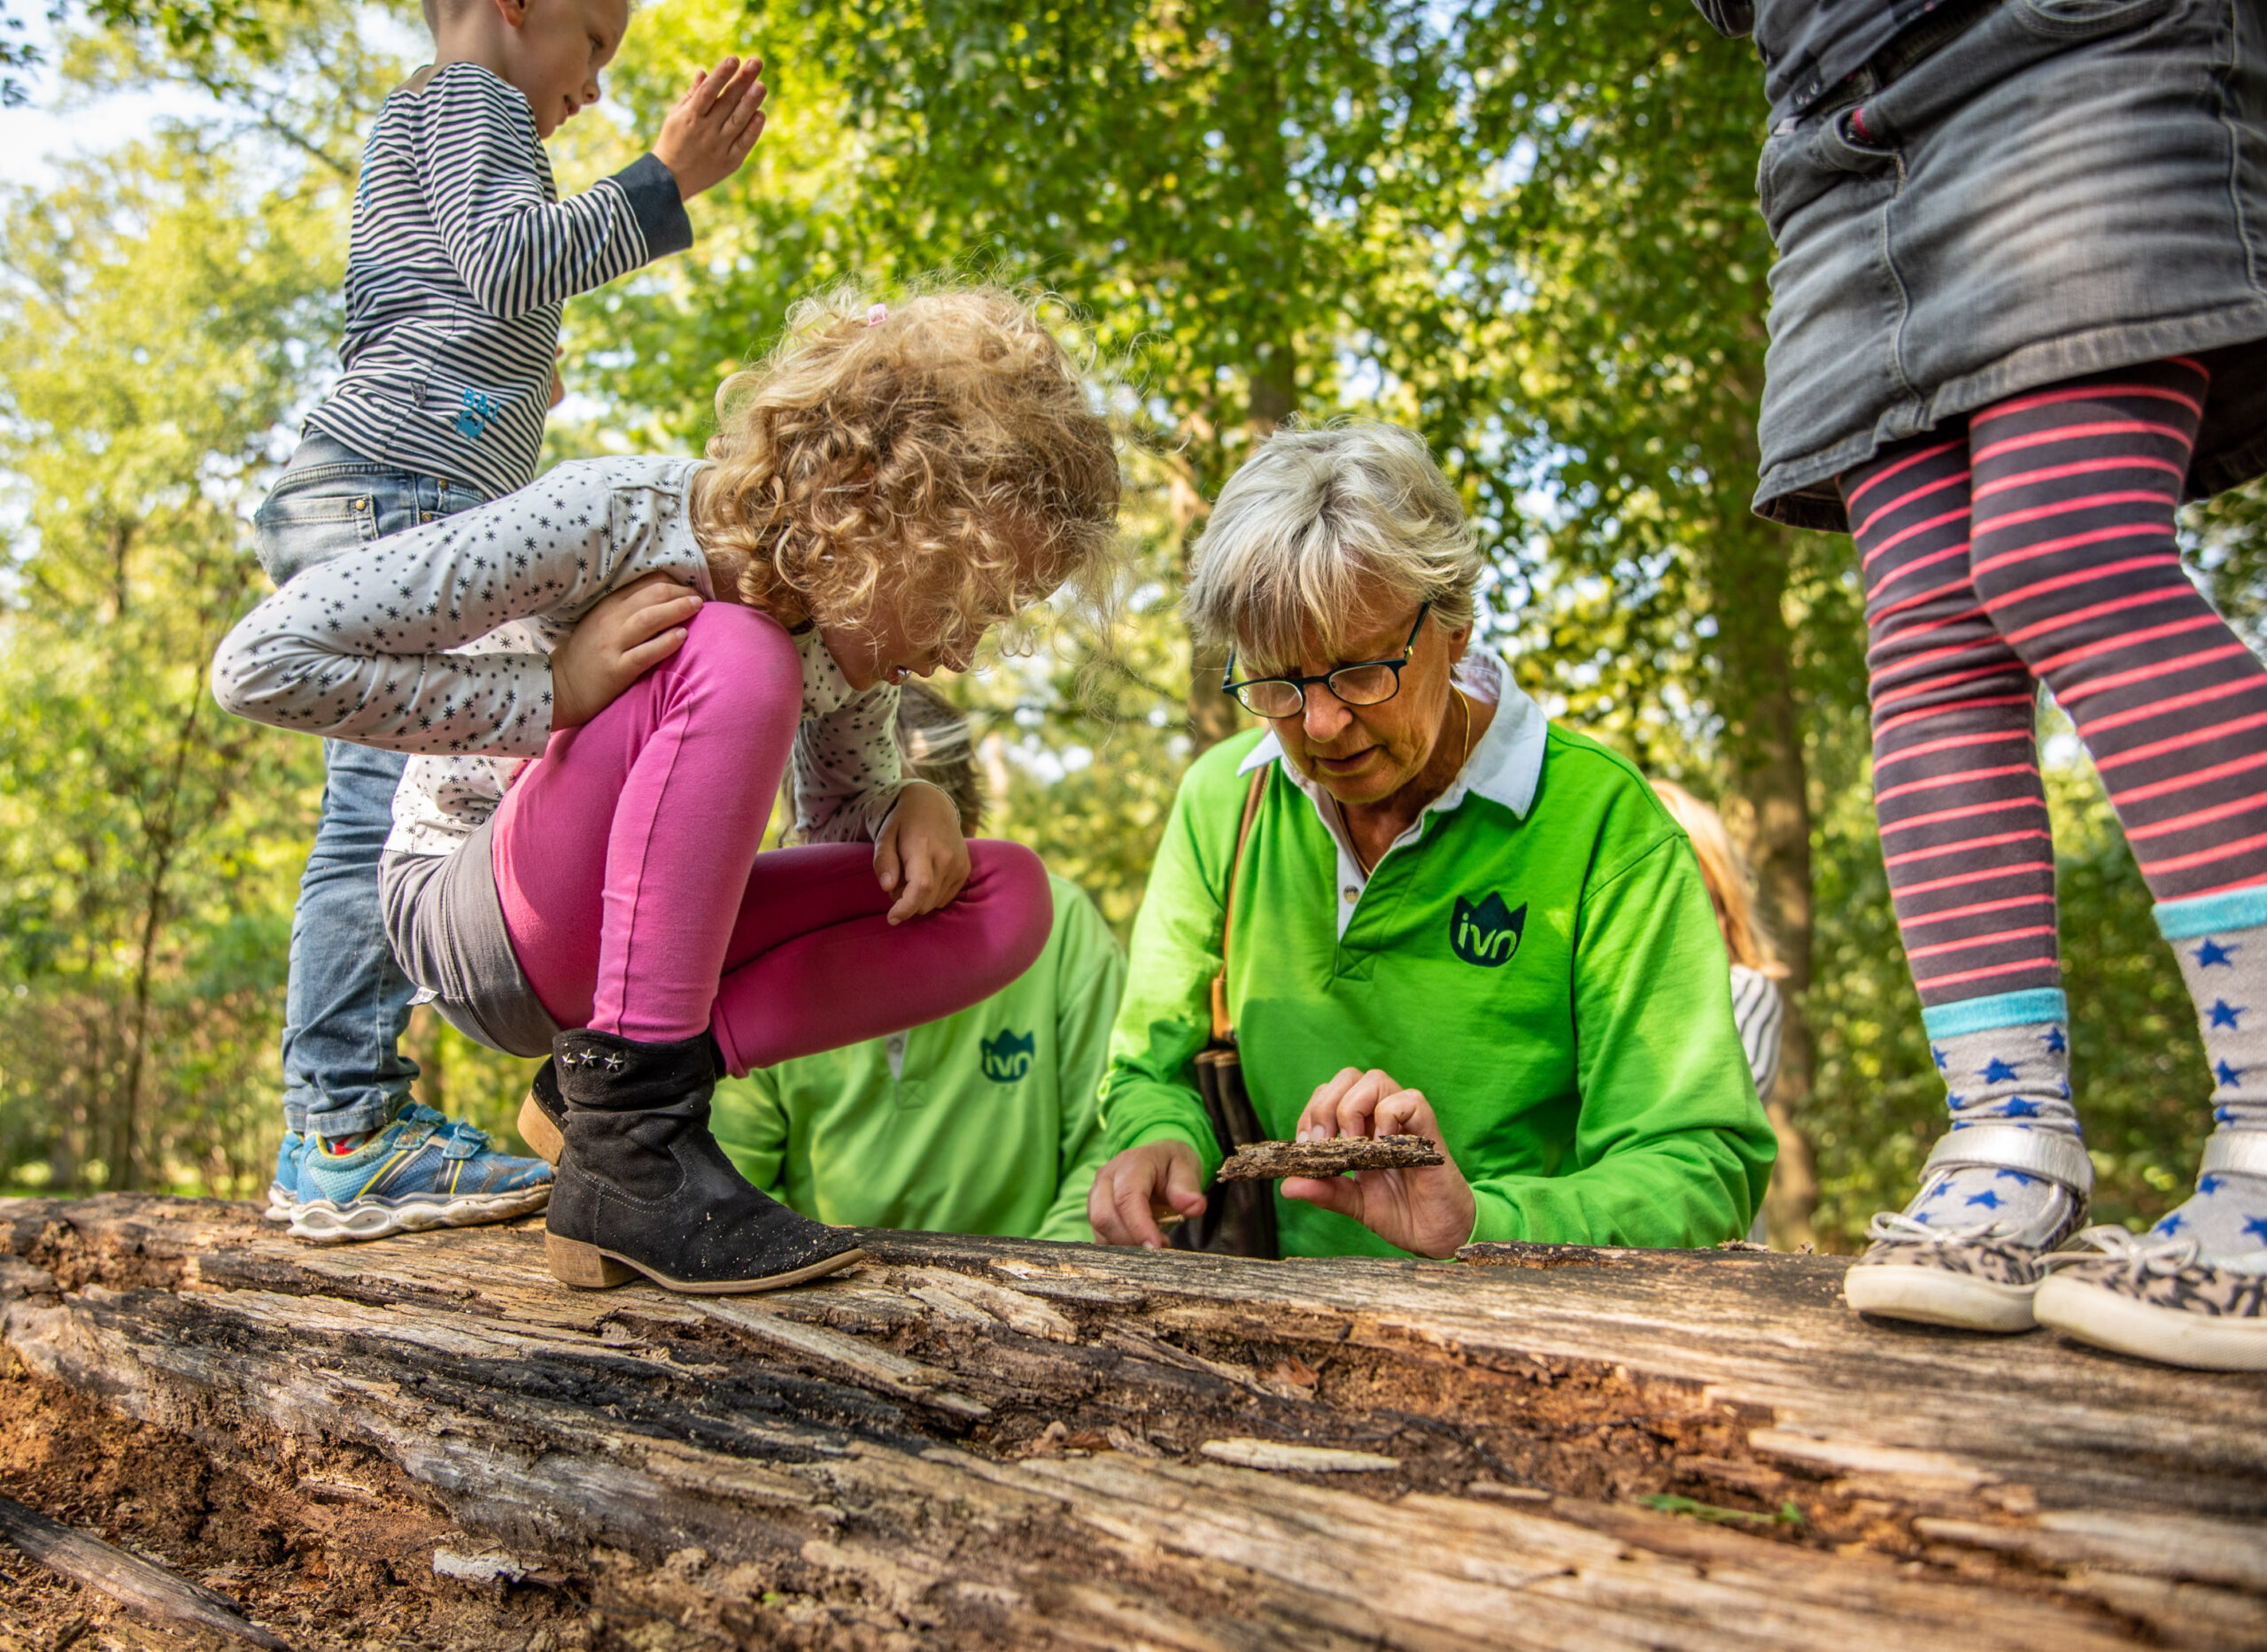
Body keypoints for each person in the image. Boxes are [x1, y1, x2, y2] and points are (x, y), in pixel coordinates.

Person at [213, 287, 1121, 1293]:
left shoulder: (843, 634)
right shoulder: (610, 518)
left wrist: (912, 806)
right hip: (472, 915)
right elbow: (262, 661)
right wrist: (546, 693)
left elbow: (830, 828)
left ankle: (610, 1109)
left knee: (1004, 896)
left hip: (626, 967)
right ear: (864, 502)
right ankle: (635, 1160)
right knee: (739, 653)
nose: (962, 649)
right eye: (959, 597)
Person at [1695, 0, 2267, 1367]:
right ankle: (2011, 1133)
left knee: (2065, 547)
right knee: (1929, 639)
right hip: (1827, 133)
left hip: (2064, 42)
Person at [254, 0, 773, 1240]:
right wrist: (664, 180)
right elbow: (503, 258)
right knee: (377, 817)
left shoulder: (432, 119)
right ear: (515, 6)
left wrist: (513, 379)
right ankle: (343, 1126)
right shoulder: (466, 99)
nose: (593, 86)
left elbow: (432, 302)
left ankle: (351, 1117)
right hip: (394, 500)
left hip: (385, 488)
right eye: (592, 42)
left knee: (382, 807)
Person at [1087, 421, 1775, 1260]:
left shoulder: (1604, 827)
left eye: (1360, 672)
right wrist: (1160, 1136)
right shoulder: (1224, 804)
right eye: (1278, 681)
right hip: (1273, 1337)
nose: (1323, 723)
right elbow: (1147, 1068)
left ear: (1456, 625)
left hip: (1528, 1347)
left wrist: (1484, 1225)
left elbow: (1702, 1168)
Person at [700, 684, 1125, 1240]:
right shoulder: (757, 950)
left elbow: (1103, 1144)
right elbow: (734, 1170)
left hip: (1029, 1287)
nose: (890, 885)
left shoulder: (1062, 928)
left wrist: (1036, 1287)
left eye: (925, 861)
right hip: (817, 1287)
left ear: (967, 829)